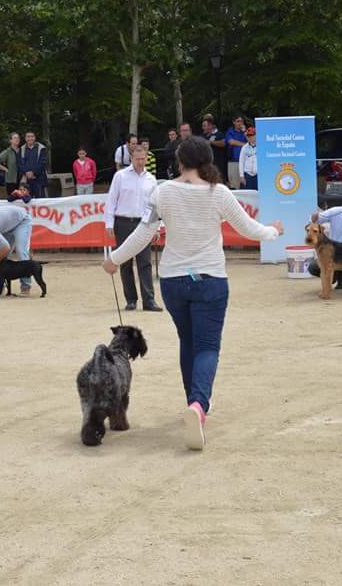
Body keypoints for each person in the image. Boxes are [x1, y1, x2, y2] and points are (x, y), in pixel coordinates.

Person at [102, 136, 283, 450]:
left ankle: (193, 403)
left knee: (188, 341)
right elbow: (249, 228)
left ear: (179, 161)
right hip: (210, 279)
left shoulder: (163, 191)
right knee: (208, 347)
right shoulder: (219, 193)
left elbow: (144, 232)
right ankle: (198, 405)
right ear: (207, 160)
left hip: (173, 281)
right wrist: (275, 231)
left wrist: (114, 259)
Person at [105, 147, 161, 312]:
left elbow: (154, 205)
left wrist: (156, 227)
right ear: (131, 158)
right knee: (125, 262)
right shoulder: (120, 176)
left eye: (143, 159)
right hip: (122, 222)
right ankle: (131, 300)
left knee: (145, 262)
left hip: (143, 224)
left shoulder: (151, 179)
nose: (140, 162)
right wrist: (109, 223)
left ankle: (149, 301)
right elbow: (111, 200)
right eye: (137, 159)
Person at [18, 131, 48, 198]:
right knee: (27, 200)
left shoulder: (41, 148)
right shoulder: (21, 149)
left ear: (34, 138)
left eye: (32, 136)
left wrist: (33, 173)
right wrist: (26, 173)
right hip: (26, 180)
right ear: (25, 138)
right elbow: (19, 163)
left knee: (41, 201)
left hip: (39, 179)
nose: (30, 138)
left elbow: (42, 163)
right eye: (28, 137)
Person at [201, 114, 228, 183]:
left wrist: (211, 142)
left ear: (210, 125)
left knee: (219, 183)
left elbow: (224, 143)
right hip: (207, 166)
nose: (203, 128)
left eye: (204, 126)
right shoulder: (203, 136)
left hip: (219, 166)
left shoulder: (219, 134)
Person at [225, 115, 248, 182]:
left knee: (245, 184)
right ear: (233, 122)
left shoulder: (246, 132)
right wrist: (245, 145)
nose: (240, 123)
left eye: (241, 121)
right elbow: (231, 142)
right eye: (238, 121)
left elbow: (252, 142)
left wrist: (245, 132)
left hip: (246, 163)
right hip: (234, 162)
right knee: (235, 184)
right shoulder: (230, 131)